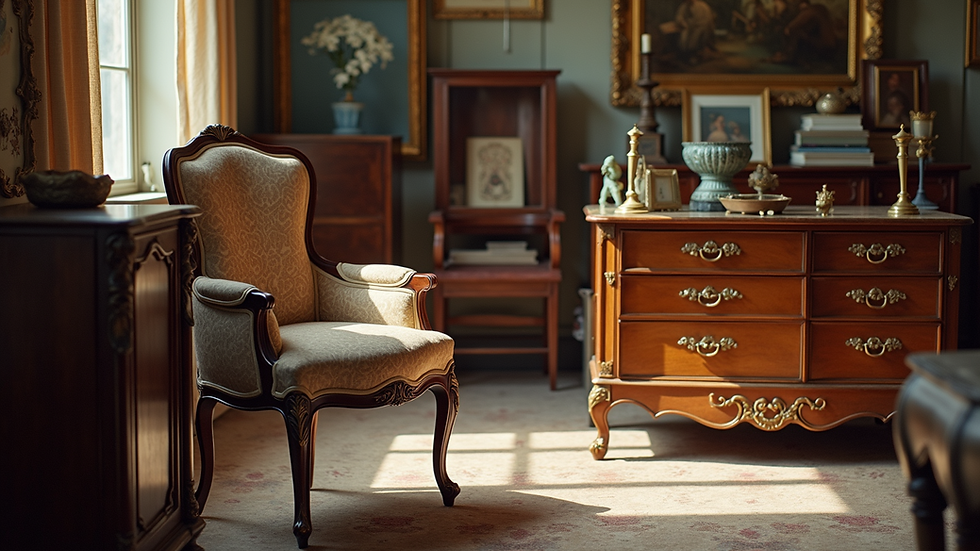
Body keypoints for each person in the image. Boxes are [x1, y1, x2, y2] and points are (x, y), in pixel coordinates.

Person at [674, 0, 716, 65]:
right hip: (688, 27)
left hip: (700, 27)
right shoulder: (684, 6)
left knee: (695, 38)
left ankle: (693, 55)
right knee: (683, 36)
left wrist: (693, 25)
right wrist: (682, 23)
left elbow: (706, 21)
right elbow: (679, 16)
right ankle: (684, 55)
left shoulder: (702, 6)